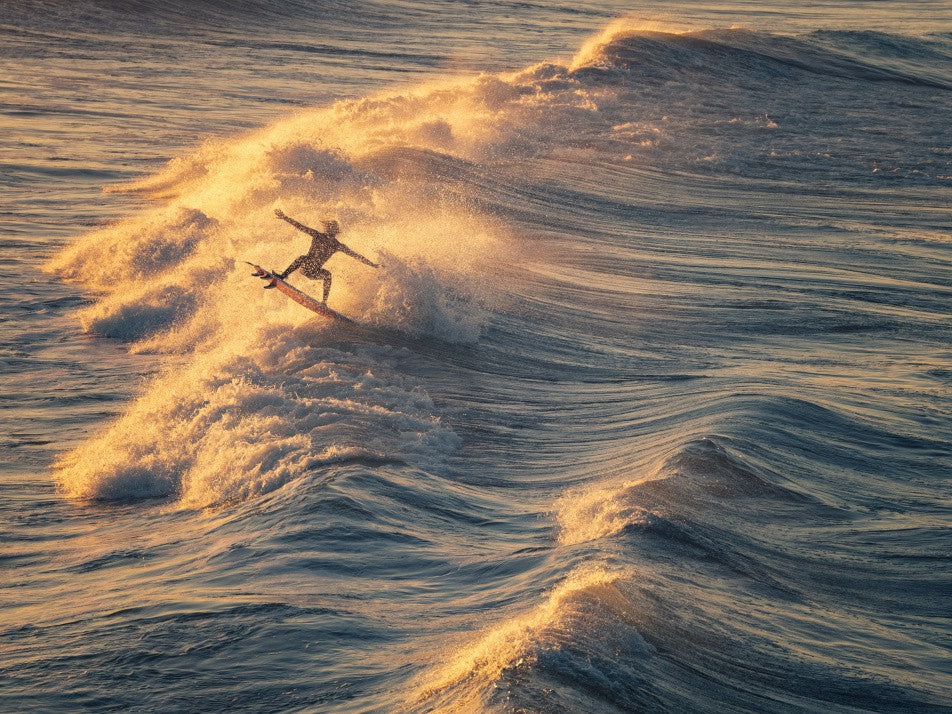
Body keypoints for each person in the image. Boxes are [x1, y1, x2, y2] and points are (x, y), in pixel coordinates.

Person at [272, 208, 378, 303]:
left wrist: (373, 265)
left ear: (335, 231)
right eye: (327, 227)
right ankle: (283, 276)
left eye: (330, 228)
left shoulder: (337, 245)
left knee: (327, 275)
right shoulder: (317, 235)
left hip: (315, 272)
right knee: (302, 258)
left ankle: (324, 302)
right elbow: (300, 227)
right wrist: (285, 217)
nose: (327, 229)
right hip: (304, 268)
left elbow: (356, 255)